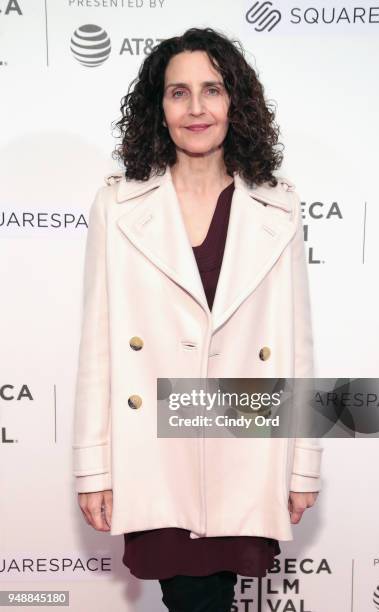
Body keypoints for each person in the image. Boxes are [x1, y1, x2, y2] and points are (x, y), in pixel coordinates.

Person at [73, 27, 323, 612]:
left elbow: (297, 346)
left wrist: (302, 464)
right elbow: (98, 347)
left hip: (246, 444)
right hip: (155, 451)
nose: (196, 108)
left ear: (235, 102)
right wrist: (93, 467)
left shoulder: (277, 205)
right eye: (178, 92)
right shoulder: (119, 205)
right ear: (158, 108)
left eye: (212, 89)